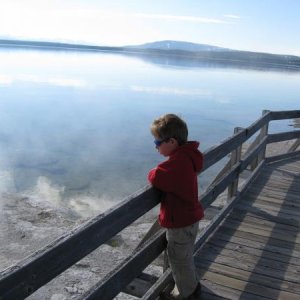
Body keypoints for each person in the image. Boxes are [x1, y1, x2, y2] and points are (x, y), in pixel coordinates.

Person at [148, 114, 204, 300]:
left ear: (171, 141)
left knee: (179, 260)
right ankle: (191, 287)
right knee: (185, 257)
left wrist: (153, 171)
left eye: (157, 142)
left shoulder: (177, 163)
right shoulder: (187, 156)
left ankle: (188, 294)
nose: (155, 146)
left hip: (180, 223)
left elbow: (156, 176)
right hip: (189, 219)